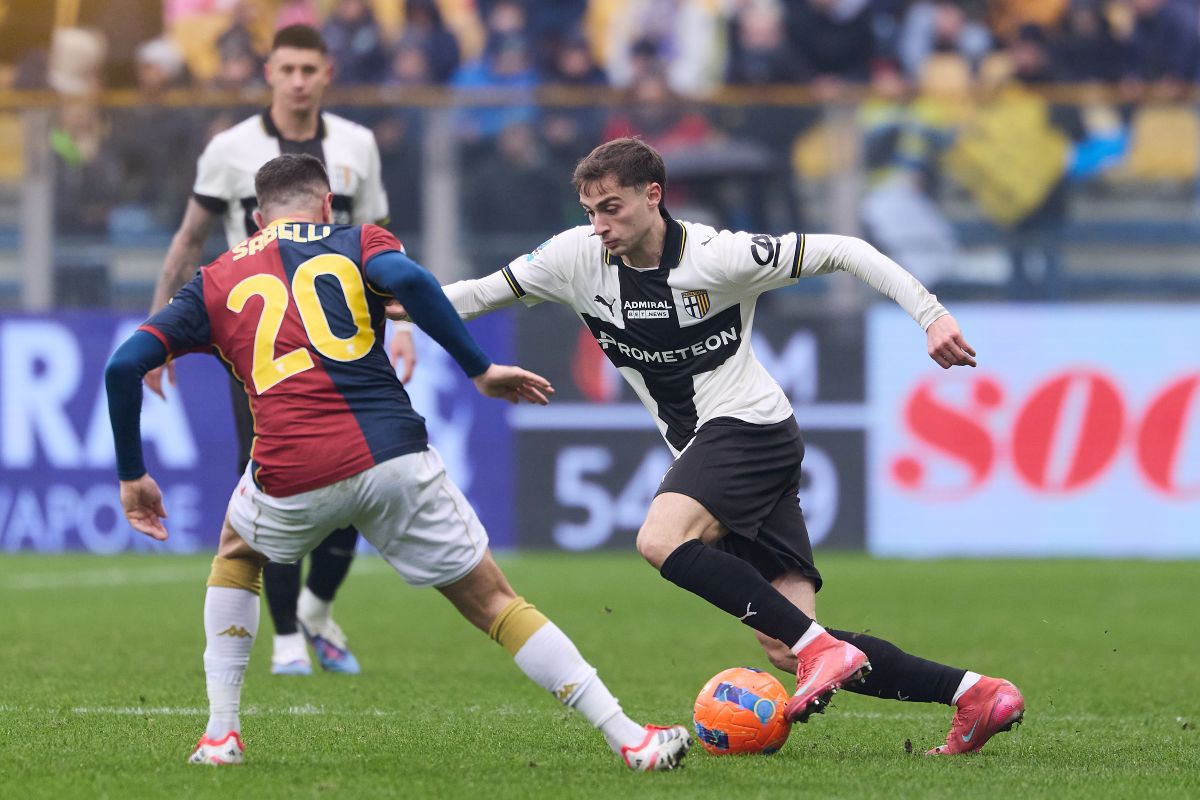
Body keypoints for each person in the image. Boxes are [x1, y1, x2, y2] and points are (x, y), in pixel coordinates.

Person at [423, 137, 1026, 755]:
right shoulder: (574, 257)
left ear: (653, 196)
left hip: (750, 428)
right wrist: (388, 302)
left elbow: (846, 250)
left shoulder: (720, 256)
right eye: (590, 212)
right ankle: (975, 694)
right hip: (734, 444)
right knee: (785, 644)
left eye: (612, 207)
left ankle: (826, 651)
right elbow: (473, 294)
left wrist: (931, 315)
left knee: (660, 540)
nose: (600, 225)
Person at [104, 153, 691, 770]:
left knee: (237, 553)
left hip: (290, 469)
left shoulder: (216, 278)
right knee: (495, 602)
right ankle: (629, 737)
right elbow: (409, 282)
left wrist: (131, 475)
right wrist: (480, 369)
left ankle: (221, 736)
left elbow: (123, 366)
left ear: (256, 217)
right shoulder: (359, 239)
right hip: (393, 456)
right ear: (327, 203)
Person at [144, 24, 416, 677]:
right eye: (286, 68)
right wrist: (160, 334)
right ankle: (289, 636)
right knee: (270, 476)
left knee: (363, 475)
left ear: (327, 74)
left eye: (308, 69)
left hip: (348, 335)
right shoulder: (230, 148)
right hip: (261, 343)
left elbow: (381, 237)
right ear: (269, 72)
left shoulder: (358, 145)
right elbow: (188, 240)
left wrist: (403, 325)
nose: (297, 80)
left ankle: (318, 610)